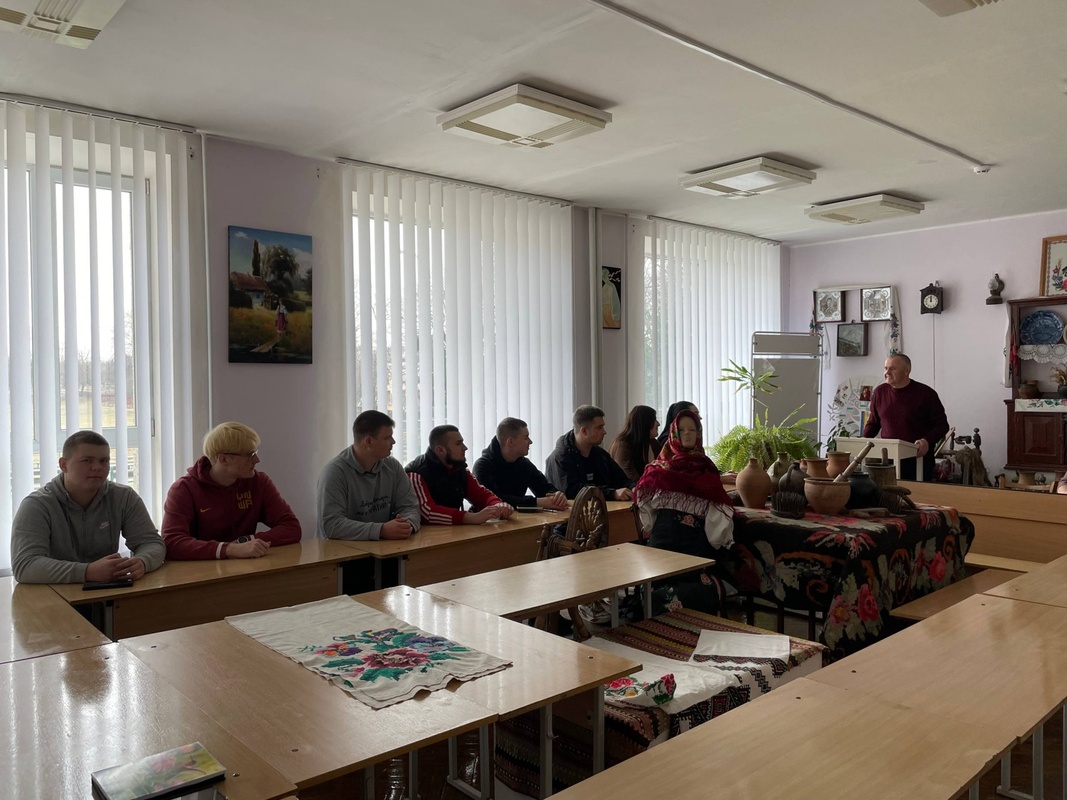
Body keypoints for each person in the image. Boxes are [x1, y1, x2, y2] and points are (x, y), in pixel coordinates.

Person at [10, 430, 165, 584]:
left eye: (104, 461)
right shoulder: (37, 505)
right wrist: (87, 572)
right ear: (64, 465)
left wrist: (142, 562)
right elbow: (25, 565)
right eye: (87, 461)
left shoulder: (123, 497)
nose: (97, 467)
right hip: (53, 593)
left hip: (108, 592)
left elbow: (152, 543)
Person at [634, 410, 735, 613]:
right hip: (662, 541)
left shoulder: (706, 469)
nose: (687, 434)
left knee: (695, 582)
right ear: (673, 433)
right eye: (681, 430)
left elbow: (716, 507)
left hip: (693, 543)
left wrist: (716, 538)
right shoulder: (658, 469)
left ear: (699, 433)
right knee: (655, 581)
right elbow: (645, 505)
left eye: (692, 429)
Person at [162, 422, 301, 559]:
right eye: (250, 454)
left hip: (247, 566)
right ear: (223, 459)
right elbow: (171, 542)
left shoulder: (260, 482)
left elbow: (291, 527)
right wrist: (229, 549)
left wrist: (246, 541)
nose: (257, 460)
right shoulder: (183, 489)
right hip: (201, 569)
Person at [317, 410, 421, 541]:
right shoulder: (334, 472)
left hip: (385, 547)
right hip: (341, 550)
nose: (393, 442)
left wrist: (406, 525)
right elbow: (332, 525)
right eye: (387, 438)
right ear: (368, 441)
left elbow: (410, 507)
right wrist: (381, 530)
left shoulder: (393, 466)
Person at [862, 353, 950, 480]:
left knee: (916, 492)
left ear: (907, 370)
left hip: (918, 460)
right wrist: (862, 442)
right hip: (888, 460)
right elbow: (873, 423)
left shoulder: (926, 394)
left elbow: (942, 426)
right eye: (885, 368)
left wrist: (926, 440)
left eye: (892, 369)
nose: (887, 372)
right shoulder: (879, 392)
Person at [406, 426, 515, 524]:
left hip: (452, 532)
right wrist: (472, 517)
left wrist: (497, 505)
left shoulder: (459, 469)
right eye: (458, 444)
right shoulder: (416, 473)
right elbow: (427, 512)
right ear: (440, 450)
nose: (465, 447)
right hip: (424, 536)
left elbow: (481, 495)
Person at [472, 417, 568, 510]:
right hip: (488, 520)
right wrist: (537, 502)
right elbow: (495, 500)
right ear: (511, 442)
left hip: (515, 519)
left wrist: (557, 495)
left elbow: (543, 486)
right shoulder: (482, 467)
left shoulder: (523, 464)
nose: (530, 442)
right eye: (526, 437)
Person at [545, 405, 634, 501]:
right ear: (584, 431)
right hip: (572, 510)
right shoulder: (560, 457)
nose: (604, 432)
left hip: (600, 508)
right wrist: (612, 494)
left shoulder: (600, 454)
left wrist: (633, 487)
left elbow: (621, 479)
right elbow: (572, 491)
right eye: (599, 427)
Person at [608, 405, 659, 482]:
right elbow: (630, 477)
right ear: (644, 423)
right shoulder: (622, 445)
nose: (658, 423)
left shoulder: (653, 443)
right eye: (654, 420)